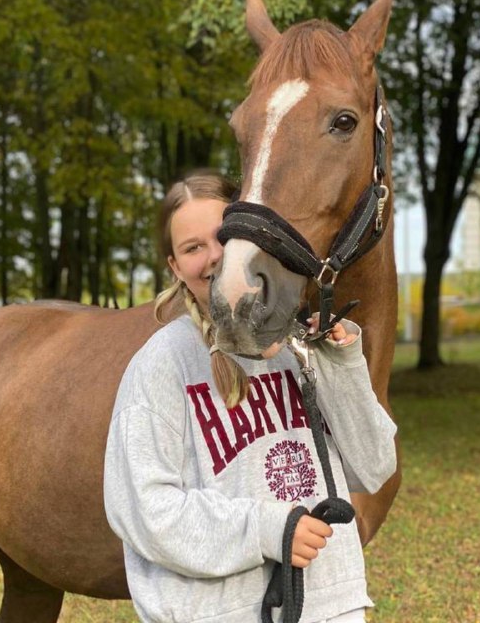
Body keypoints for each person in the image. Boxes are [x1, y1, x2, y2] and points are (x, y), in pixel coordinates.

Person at [104, 170, 397, 623]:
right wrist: (267, 529)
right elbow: (143, 511)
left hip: (330, 606)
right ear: (175, 267)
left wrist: (340, 365)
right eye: (192, 248)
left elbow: (375, 466)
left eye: (223, 236)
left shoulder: (304, 348)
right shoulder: (162, 365)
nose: (215, 257)